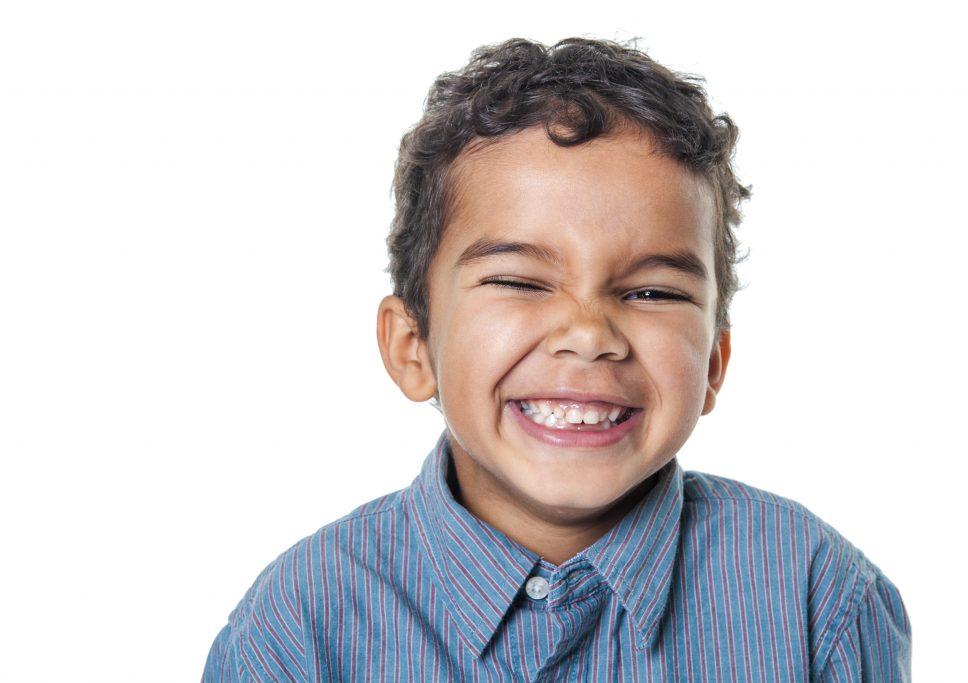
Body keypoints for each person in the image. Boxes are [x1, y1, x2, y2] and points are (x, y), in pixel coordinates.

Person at [203, 37, 910, 682]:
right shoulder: (297, 628)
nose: (588, 331)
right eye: (518, 281)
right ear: (412, 346)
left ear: (714, 364)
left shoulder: (821, 599)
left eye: (652, 290)